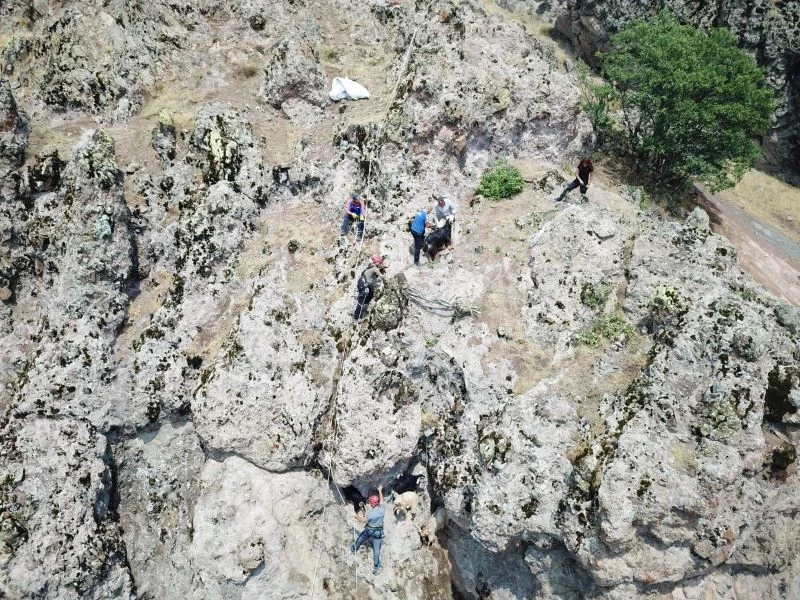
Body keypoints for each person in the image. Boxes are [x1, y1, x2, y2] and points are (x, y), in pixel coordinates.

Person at [351, 485, 384, 575]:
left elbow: (363, 521)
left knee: (360, 539)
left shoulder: (371, 514)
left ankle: (354, 549)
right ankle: (376, 567)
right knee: (376, 550)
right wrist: (380, 490)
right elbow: (382, 500)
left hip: (370, 530)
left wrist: (356, 516)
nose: (369, 503)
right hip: (379, 532)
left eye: (370, 502)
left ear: (373, 503)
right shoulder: (382, 509)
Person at [353, 255, 386, 320]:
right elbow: (381, 276)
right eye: (380, 262)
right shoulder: (374, 268)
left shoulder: (371, 266)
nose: (380, 264)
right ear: (377, 262)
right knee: (361, 301)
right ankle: (357, 317)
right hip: (364, 285)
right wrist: (386, 283)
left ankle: (364, 309)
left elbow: (378, 269)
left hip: (362, 283)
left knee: (370, 294)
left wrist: (383, 267)